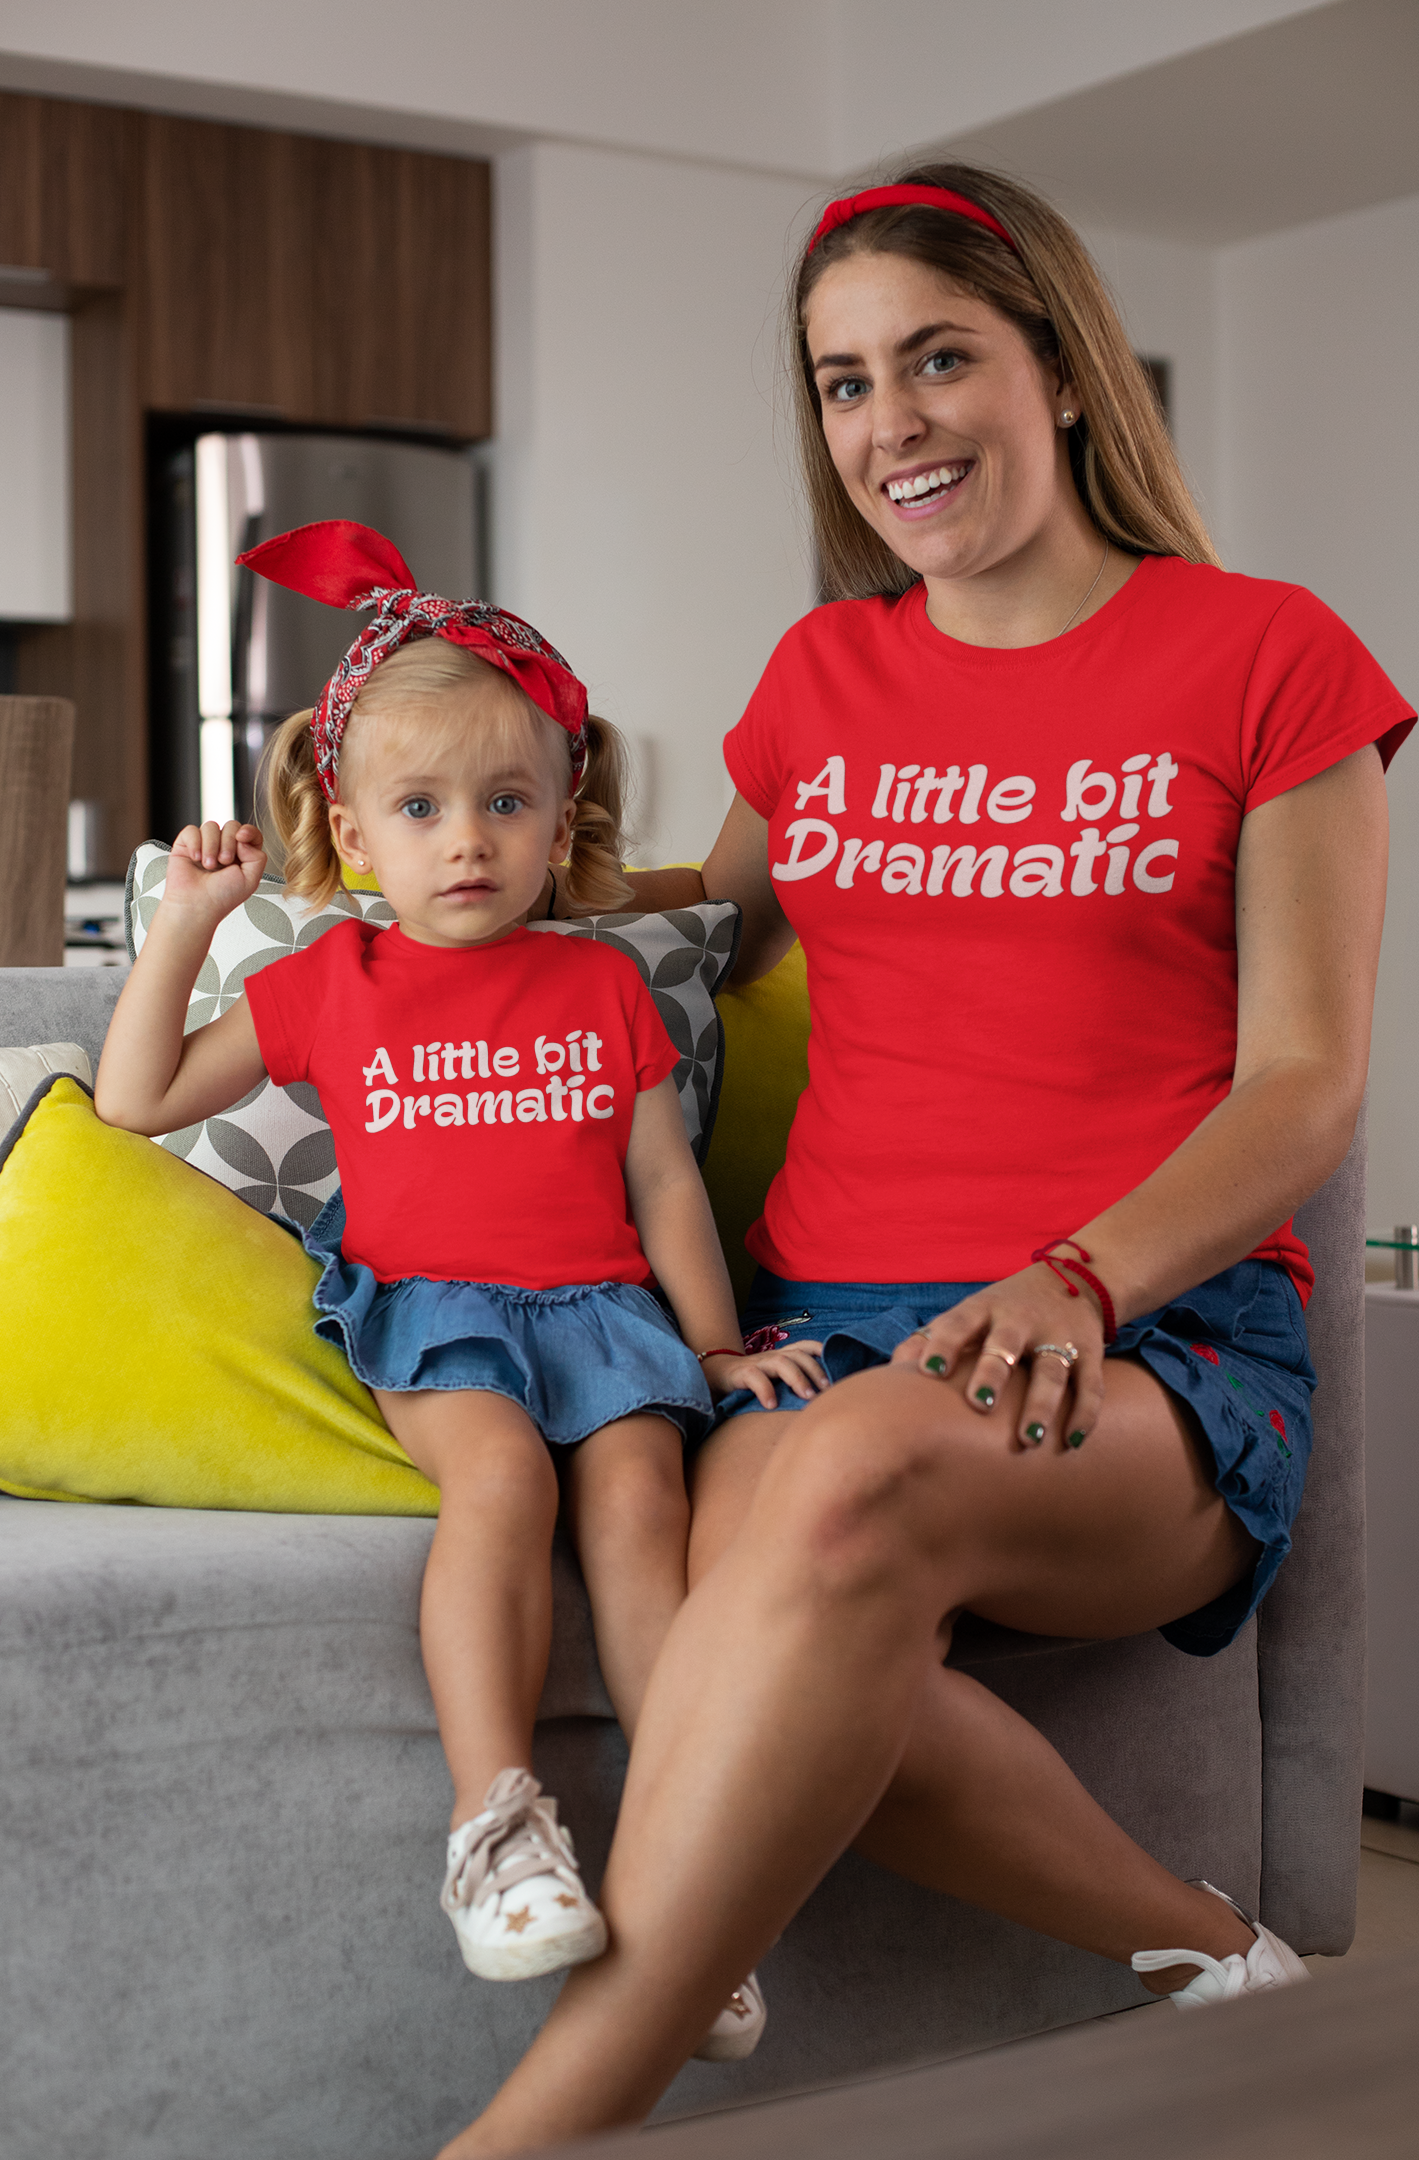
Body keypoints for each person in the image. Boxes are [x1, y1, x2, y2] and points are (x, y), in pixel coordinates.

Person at [438, 163, 1414, 2154]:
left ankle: (526, 2140)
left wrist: (1085, 1274)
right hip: (832, 1334)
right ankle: (1207, 1957)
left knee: (849, 1475)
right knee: (776, 1572)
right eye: (844, 381)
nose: (893, 424)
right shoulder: (822, 687)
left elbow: (1307, 1084)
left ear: (1058, 365)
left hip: (1149, 1347)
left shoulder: (1270, 660)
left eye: (939, 357)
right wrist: (406, 861)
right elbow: (688, 928)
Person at [93, 520, 820, 2049]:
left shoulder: (603, 980)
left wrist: (717, 1347)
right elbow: (136, 1100)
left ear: (564, 821)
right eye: (420, 809)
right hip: (442, 1311)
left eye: (505, 803)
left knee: (639, 1506)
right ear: (354, 837)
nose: (466, 840)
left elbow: (664, 1183)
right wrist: (182, 929)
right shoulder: (329, 982)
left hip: (609, 1319)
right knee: (502, 1487)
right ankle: (496, 1831)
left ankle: (690, 1882)